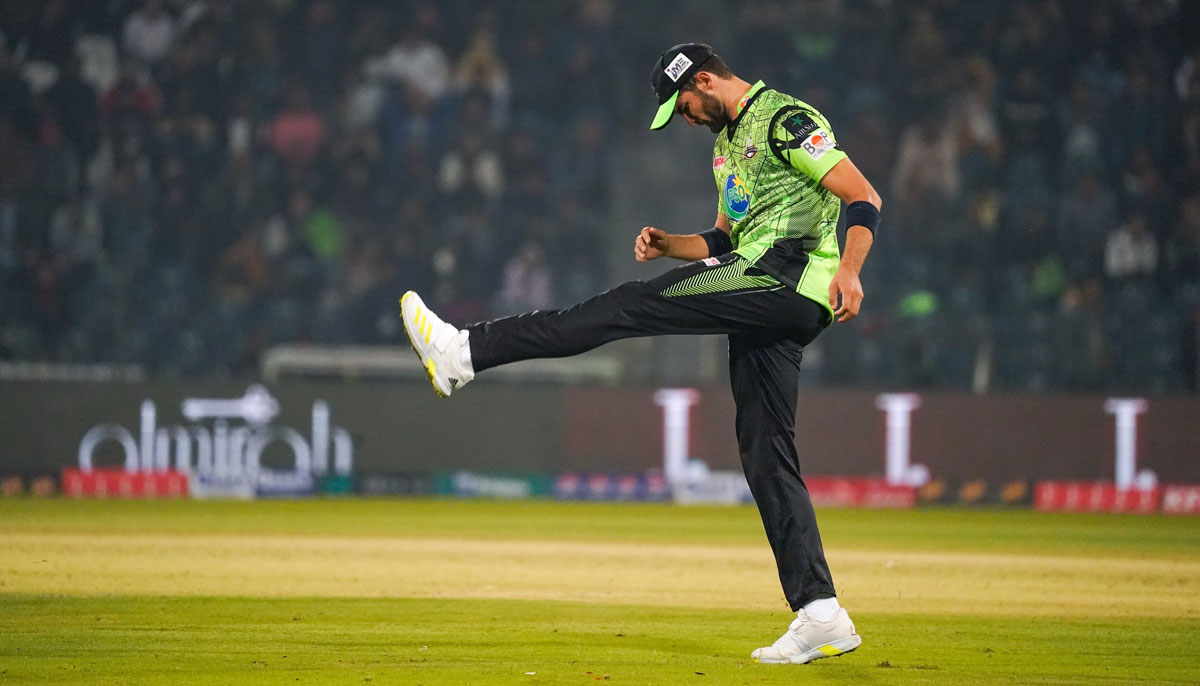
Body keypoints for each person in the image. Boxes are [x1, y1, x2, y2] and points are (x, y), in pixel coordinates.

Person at [398, 43, 881, 665]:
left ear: (705, 80)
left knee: (627, 306)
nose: (683, 117)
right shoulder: (725, 146)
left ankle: (463, 352)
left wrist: (851, 269)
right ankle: (821, 612)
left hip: (783, 281)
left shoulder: (785, 120)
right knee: (765, 452)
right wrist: (671, 244)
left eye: (681, 104)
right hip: (760, 288)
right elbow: (723, 239)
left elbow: (862, 195)